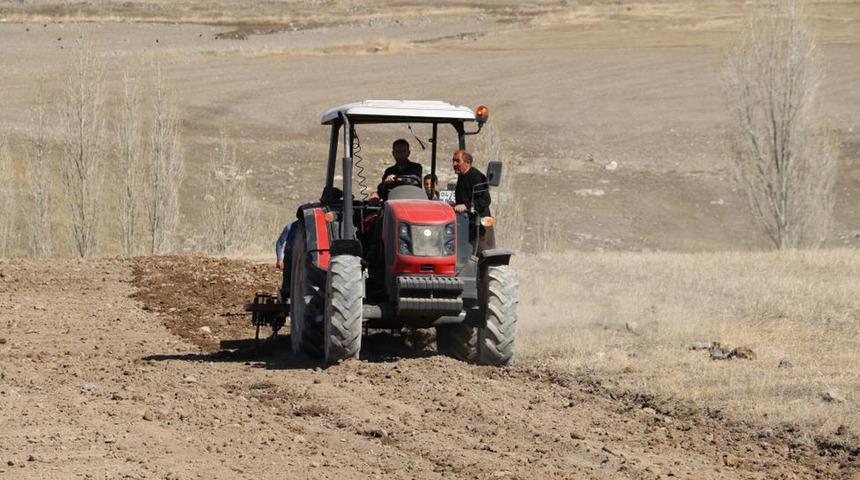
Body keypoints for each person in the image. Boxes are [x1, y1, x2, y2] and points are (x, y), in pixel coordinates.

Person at [452, 149, 495, 251]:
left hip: (481, 227)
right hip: (468, 224)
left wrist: (466, 206)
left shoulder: (475, 176)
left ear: (467, 162)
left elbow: (486, 199)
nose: (454, 164)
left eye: (458, 161)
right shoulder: (462, 176)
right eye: (453, 161)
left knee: (480, 255)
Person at [275, 221, 297, 300]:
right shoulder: (290, 227)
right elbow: (279, 243)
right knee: (287, 288)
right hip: (289, 259)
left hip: (304, 261)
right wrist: (279, 259)